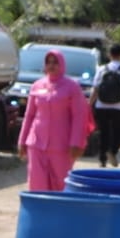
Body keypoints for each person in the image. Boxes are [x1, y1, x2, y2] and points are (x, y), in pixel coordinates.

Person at [18, 49, 90, 191]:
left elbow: (79, 116)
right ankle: (38, 206)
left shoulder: (72, 87)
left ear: (62, 64)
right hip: (36, 143)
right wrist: (22, 141)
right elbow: (29, 115)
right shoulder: (37, 86)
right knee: (37, 183)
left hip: (61, 146)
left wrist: (76, 143)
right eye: (48, 62)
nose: (51, 66)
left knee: (60, 184)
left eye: (55, 62)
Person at [91, 42, 120, 167]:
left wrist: (90, 104)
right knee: (119, 131)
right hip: (119, 106)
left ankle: (102, 159)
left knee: (103, 132)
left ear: (109, 54)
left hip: (101, 106)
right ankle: (113, 151)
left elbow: (95, 89)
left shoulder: (102, 69)